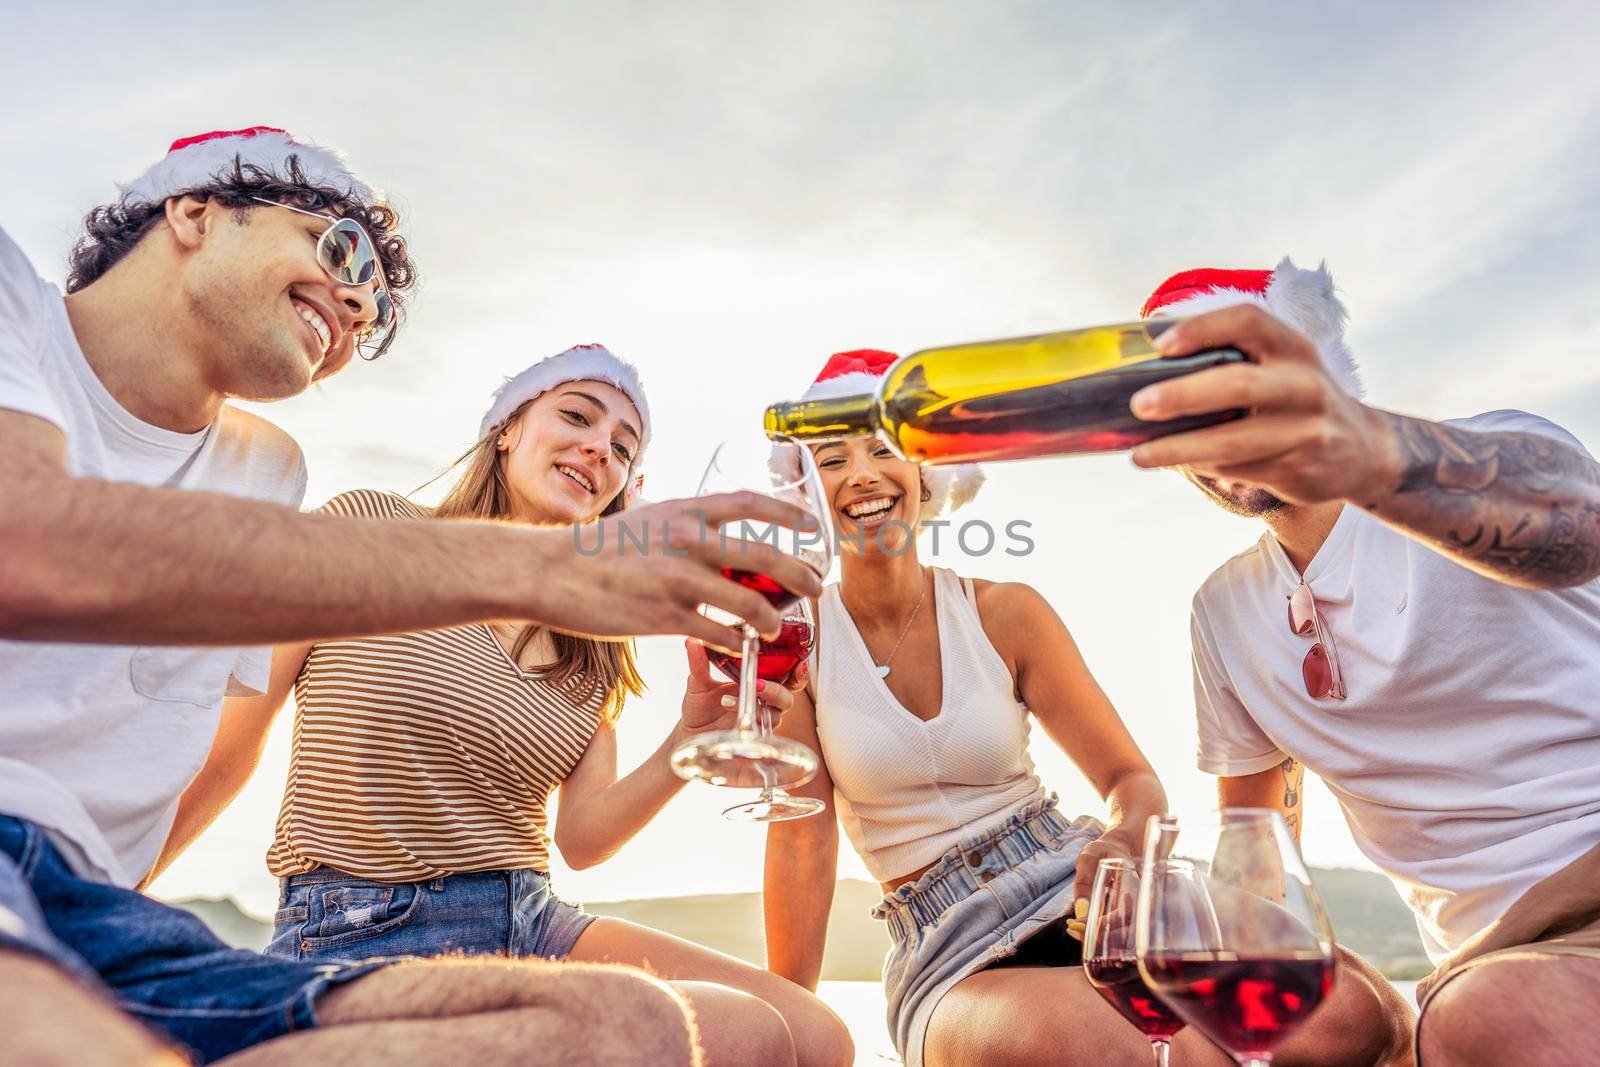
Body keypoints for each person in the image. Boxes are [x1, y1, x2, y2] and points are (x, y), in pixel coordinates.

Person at [0, 125, 821, 1065]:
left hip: (130, 911)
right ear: (192, 209)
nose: (354, 309)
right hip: (345, 913)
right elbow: (35, 550)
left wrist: (688, 732)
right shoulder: (16, 304)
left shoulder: (261, 466)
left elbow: (166, 752)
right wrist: (549, 566)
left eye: (377, 314)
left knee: (641, 1027)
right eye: (338, 248)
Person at [150, 343, 853, 1067]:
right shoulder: (371, 524)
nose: (598, 448)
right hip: (362, 924)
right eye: (577, 415)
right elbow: (233, 742)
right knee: (717, 1035)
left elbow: (583, 838)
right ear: (508, 428)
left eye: (621, 446)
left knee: (812, 1035)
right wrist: (99, 896)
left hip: (530, 916)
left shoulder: (596, 640)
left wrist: (691, 735)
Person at [1131, 260, 1600, 1067]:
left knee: (1493, 1014)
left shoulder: (1466, 469)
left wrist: (1355, 450)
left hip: (1572, 901)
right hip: (1477, 964)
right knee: (1223, 1039)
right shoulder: (1224, 611)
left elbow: (1572, 520)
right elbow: (1255, 851)